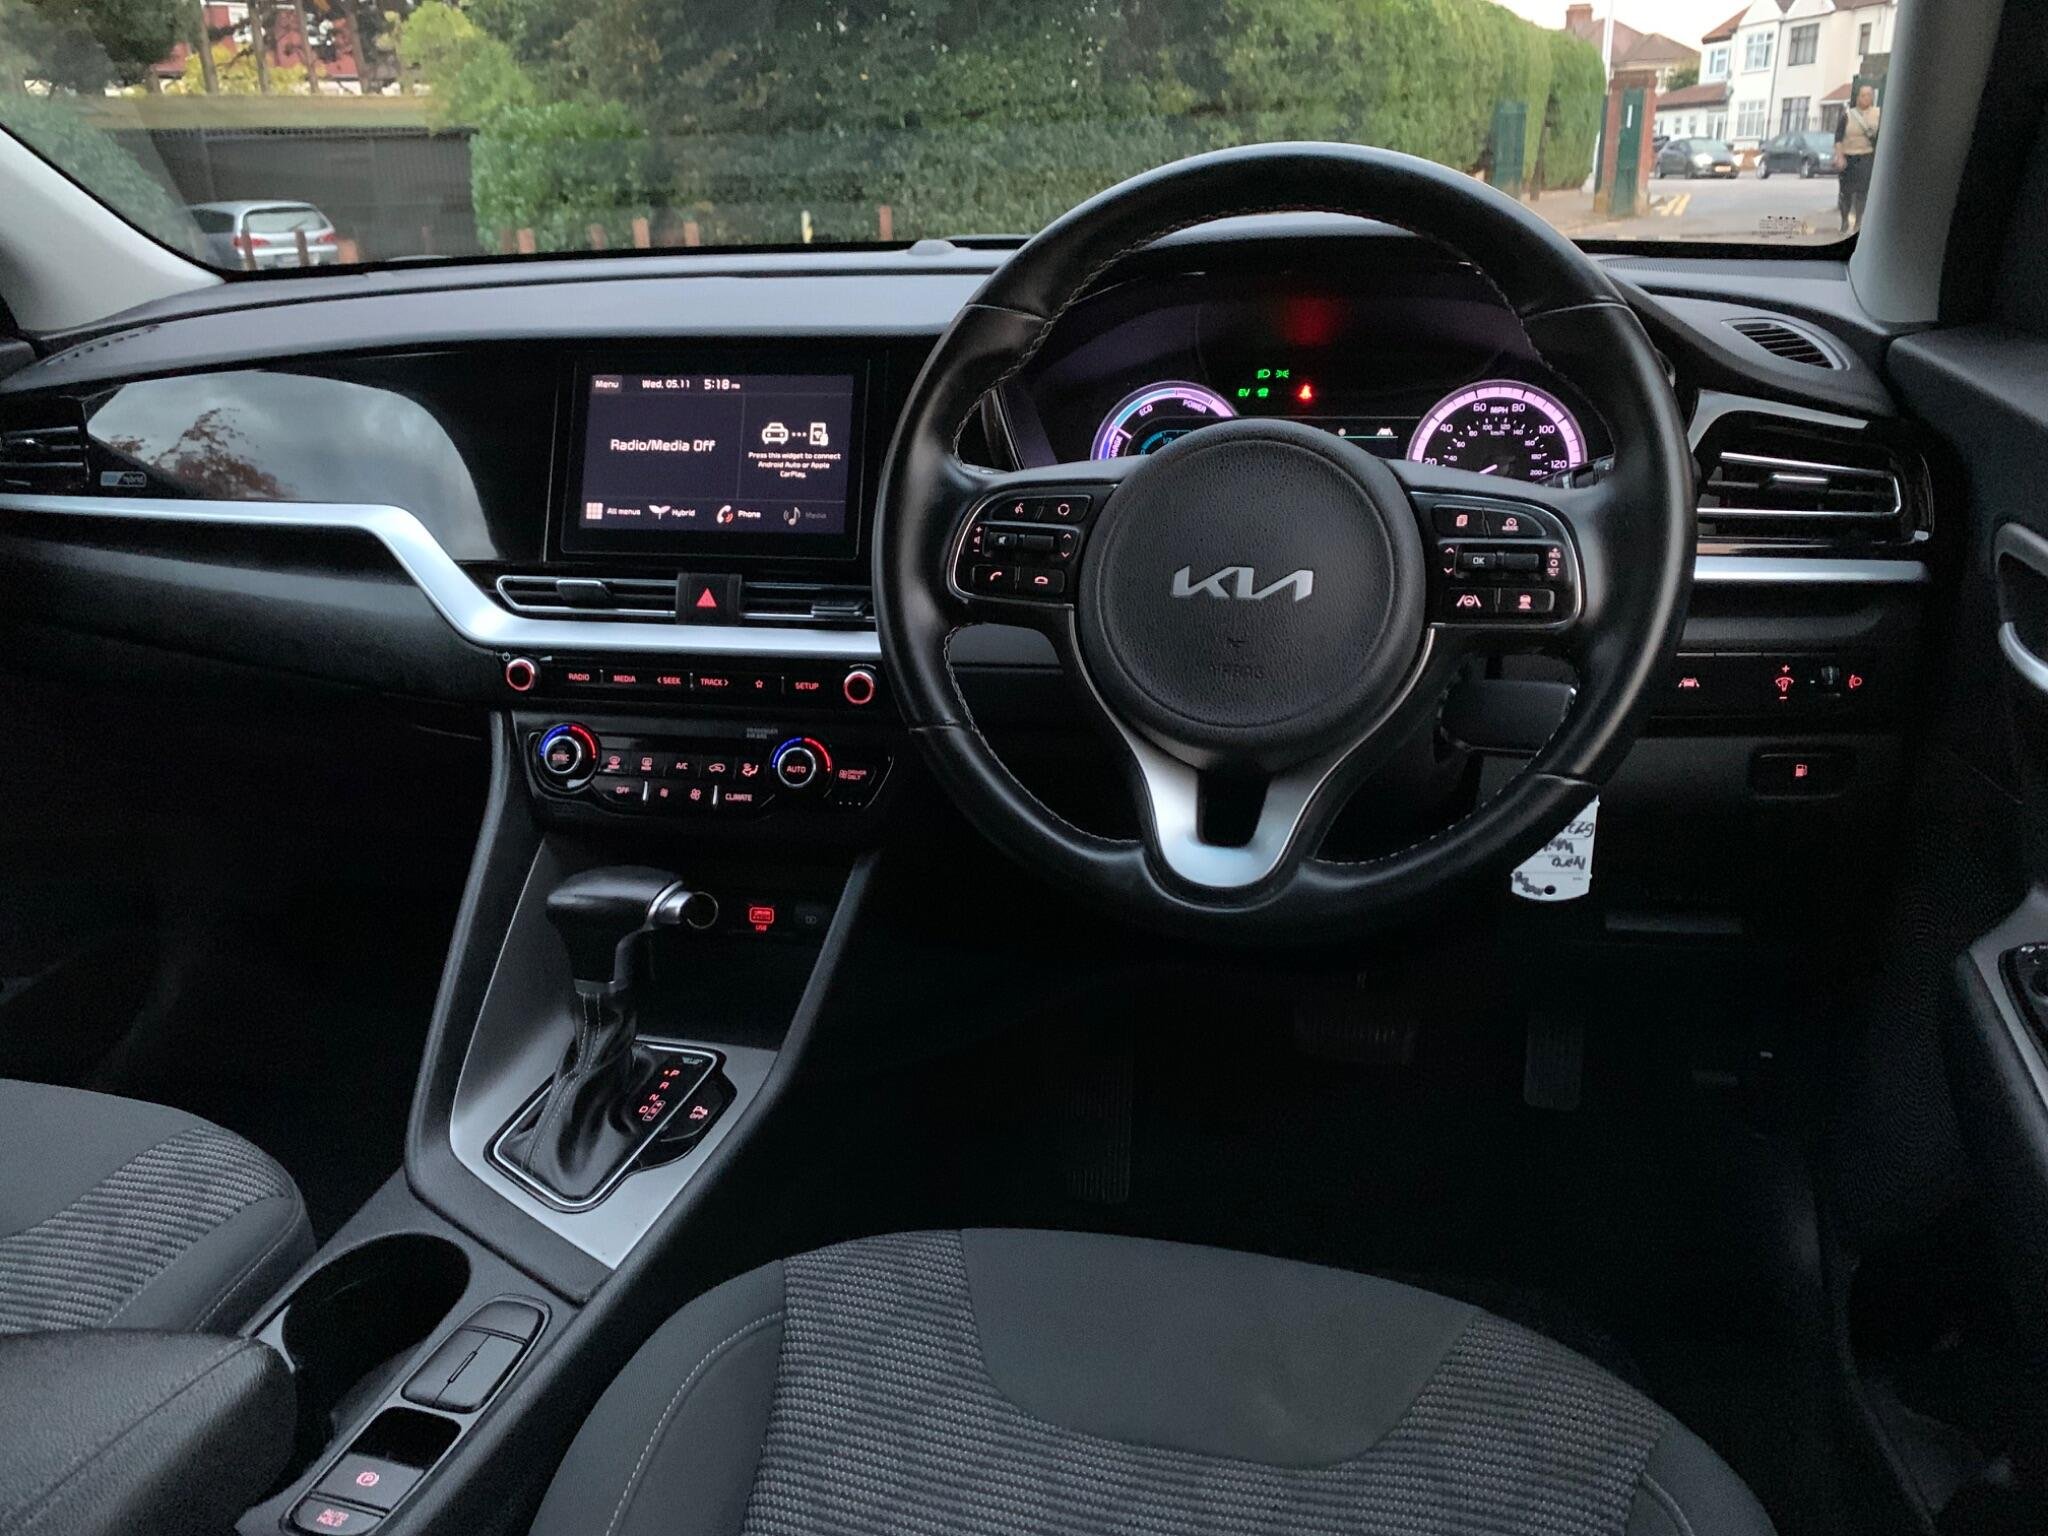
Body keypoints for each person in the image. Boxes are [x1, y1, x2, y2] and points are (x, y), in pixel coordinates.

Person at [1834, 85, 1881, 233]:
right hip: (1848, 158)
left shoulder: (1878, 114)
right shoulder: (1847, 115)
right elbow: (1838, 138)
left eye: (1868, 95)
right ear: (1858, 97)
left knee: (1862, 192)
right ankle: (1844, 222)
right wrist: (1840, 156)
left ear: (1872, 97)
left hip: (1866, 157)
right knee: (1845, 192)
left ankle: (1859, 222)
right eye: (1862, 95)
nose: (1865, 98)